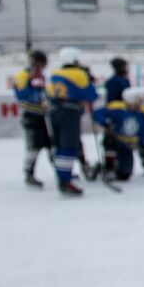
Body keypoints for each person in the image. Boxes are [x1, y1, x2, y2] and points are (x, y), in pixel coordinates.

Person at [47, 47, 98, 195]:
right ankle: (65, 181)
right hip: (69, 112)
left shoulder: (55, 73)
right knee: (69, 146)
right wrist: (88, 80)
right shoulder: (78, 74)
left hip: (54, 112)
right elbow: (91, 95)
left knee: (59, 146)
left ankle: (61, 176)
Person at [13, 49, 52, 188]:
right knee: (33, 147)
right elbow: (21, 94)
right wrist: (37, 96)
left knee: (50, 145)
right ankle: (29, 174)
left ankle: (61, 173)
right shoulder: (24, 75)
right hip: (30, 115)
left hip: (42, 116)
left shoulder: (39, 75)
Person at [92, 96, 144, 181]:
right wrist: (105, 122)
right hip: (115, 140)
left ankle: (107, 169)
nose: (138, 105)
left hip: (127, 145)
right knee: (110, 141)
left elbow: (143, 133)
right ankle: (109, 168)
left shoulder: (142, 114)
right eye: (136, 102)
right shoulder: (117, 108)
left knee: (124, 175)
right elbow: (97, 113)